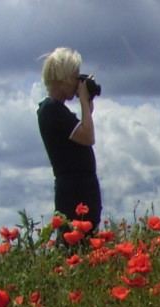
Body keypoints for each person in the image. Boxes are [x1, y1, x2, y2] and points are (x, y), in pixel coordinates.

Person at [38, 47, 102, 232]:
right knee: (76, 243)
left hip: (81, 186)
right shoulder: (51, 110)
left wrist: (87, 104)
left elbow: (85, 128)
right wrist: (82, 100)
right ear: (63, 77)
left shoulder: (58, 110)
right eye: (75, 77)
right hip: (74, 190)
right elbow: (88, 137)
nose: (77, 83)